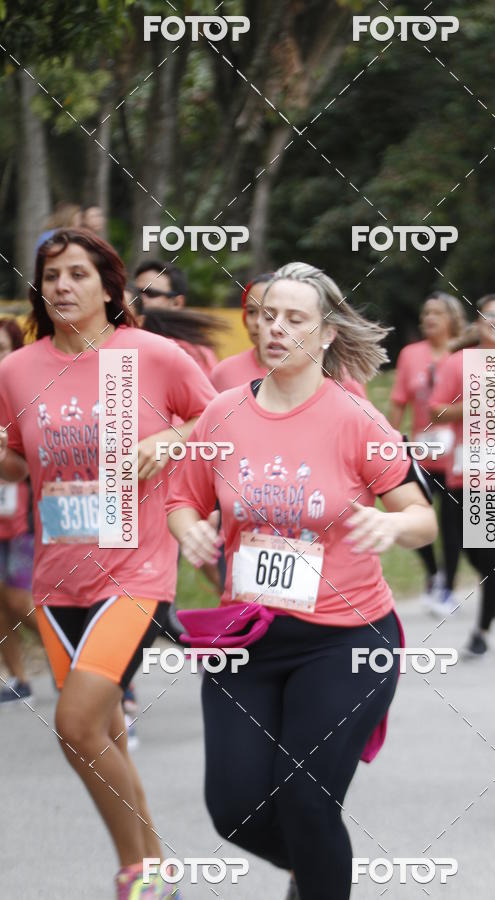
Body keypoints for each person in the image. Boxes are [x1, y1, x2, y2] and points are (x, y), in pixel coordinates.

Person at [166, 262, 437, 900]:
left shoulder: (355, 419)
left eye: (295, 319)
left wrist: (391, 528)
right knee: (233, 808)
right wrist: (188, 530)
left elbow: (422, 519)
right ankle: (315, 872)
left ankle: (317, 874)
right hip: (247, 641)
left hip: (345, 639)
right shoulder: (222, 414)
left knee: (308, 803)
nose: (276, 329)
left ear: (323, 336)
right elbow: (182, 499)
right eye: (267, 316)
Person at [0, 228, 216, 897]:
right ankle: (158, 868)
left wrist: (170, 441)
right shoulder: (17, 370)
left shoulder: (151, 355)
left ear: (107, 286)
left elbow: (222, 424)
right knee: (105, 735)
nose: (63, 286)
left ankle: (137, 872)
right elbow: (19, 461)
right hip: (57, 576)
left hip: (135, 568)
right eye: (51, 275)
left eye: (77, 274)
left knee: (74, 724)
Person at [429, 294, 495, 649]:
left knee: (494, 548)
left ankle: (480, 632)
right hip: (469, 466)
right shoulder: (458, 363)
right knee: (479, 551)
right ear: (478, 321)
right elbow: (437, 411)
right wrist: (476, 404)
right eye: (490, 315)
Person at [389, 291, 466, 613]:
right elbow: (398, 402)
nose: (428, 319)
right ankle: (434, 574)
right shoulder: (411, 354)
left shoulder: (467, 354)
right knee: (411, 514)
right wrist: (391, 444)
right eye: (425, 314)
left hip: (462, 455)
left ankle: (448, 587)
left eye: (436, 313)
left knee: (455, 524)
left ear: (452, 318)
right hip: (423, 452)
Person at [210, 274, 369, 398]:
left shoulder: (340, 376)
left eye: (294, 319)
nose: (266, 324)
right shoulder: (224, 373)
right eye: (252, 311)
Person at [0, 318, 38, 704]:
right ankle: (20, 679)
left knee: (18, 599)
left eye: (1, 349)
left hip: (25, 518)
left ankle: (76, 658)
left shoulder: (29, 394)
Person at [134, 259, 219, 376]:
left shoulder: (194, 353)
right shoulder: (120, 337)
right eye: (136, 293)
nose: (139, 299)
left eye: (151, 293)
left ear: (177, 303)